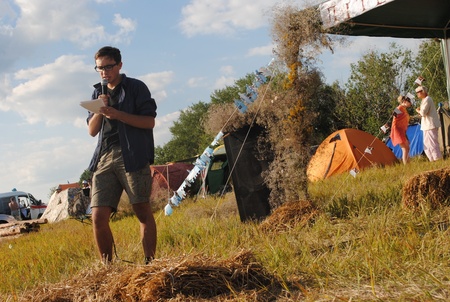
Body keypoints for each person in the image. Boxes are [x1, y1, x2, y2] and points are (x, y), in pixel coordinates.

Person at [86, 46, 157, 264]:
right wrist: (101, 109)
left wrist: (118, 114)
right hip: (104, 157)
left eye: (108, 66)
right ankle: (108, 269)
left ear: (119, 65)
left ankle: (149, 263)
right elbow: (91, 130)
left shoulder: (136, 87)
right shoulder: (97, 93)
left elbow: (149, 122)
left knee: (141, 210)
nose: (104, 72)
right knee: (97, 217)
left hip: (133, 154)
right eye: (99, 68)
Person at [415, 86, 442, 161]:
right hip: (426, 126)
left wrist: (418, 110)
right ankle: (432, 159)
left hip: (430, 125)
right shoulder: (424, 100)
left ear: (423, 92)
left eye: (418, 92)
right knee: (427, 144)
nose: (417, 94)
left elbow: (423, 113)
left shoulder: (427, 99)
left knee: (432, 144)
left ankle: (437, 159)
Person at [390, 95, 412, 165]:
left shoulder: (404, 109)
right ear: (404, 101)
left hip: (402, 130)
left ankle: (408, 163)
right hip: (397, 130)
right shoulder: (399, 108)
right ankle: (406, 165)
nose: (410, 103)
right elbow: (394, 116)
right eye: (409, 101)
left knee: (407, 147)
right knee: (405, 148)